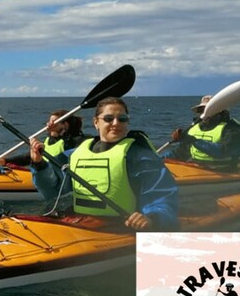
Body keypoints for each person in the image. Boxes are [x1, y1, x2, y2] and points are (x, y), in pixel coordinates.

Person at [29, 96, 179, 231]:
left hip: (121, 228)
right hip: (82, 224)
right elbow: (52, 192)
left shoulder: (140, 156)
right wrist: (39, 165)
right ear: (96, 122)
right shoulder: (74, 154)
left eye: (122, 119)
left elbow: (162, 197)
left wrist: (153, 218)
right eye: (108, 119)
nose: (116, 123)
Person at [160, 95, 240, 172]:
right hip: (198, 169)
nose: (205, 113)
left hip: (225, 172)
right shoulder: (194, 129)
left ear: (220, 111)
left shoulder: (233, 129)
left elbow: (222, 152)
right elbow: (180, 154)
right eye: (202, 110)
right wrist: (157, 159)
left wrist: (192, 140)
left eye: (209, 110)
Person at [0, 109, 86, 168]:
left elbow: (69, 144)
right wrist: (6, 161)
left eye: (54, 122)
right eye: (49, 121)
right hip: (47, 177)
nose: (49, 125)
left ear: (65, 125)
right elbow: (28, 157)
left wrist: (61, 134)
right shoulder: (49, 141)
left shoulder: (77, 141)